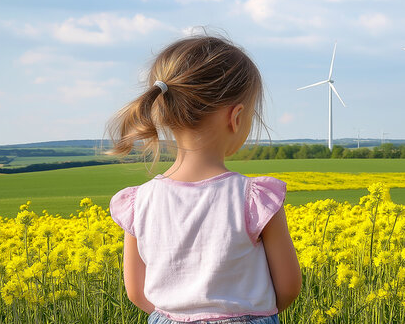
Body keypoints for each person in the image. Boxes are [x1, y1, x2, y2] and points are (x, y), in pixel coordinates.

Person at [106, 35, 302, 324]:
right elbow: (288, 288)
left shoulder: (138, 202)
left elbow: (137, 292)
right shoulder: (255, 198)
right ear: (236, 118)